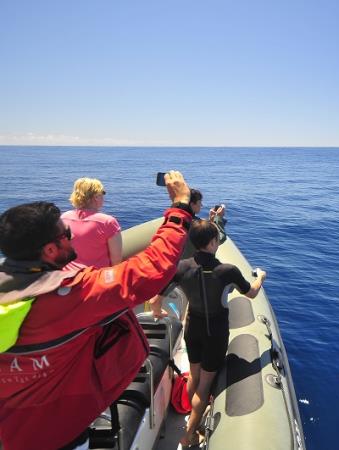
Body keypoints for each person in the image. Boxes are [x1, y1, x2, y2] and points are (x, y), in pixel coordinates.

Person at [0, 171, 194, 450]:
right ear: (51, 250)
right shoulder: (70, 298)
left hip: (12, 433)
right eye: (67, 234)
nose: (72, 238)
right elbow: (151, 269)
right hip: (59, 435)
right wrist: (180, 208)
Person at [148, 219, 266, 447]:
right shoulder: (227, 271)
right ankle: (189, 434)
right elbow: (250, 293)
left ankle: (188, 415)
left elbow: (156, 298)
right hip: (215, 332)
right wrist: (260, 277)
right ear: (213, 243)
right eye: (217, 241)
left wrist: (156, 311)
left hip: (193, 328)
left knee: (194, 375)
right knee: (204, 386)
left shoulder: (181, 267)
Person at [61, 177, 122, 269]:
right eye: (103, 193)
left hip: (68, 277)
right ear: (96, 197)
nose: (103, 196)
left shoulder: (64, 218)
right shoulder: (107, 222)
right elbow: (116, 260)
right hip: (95, 278)